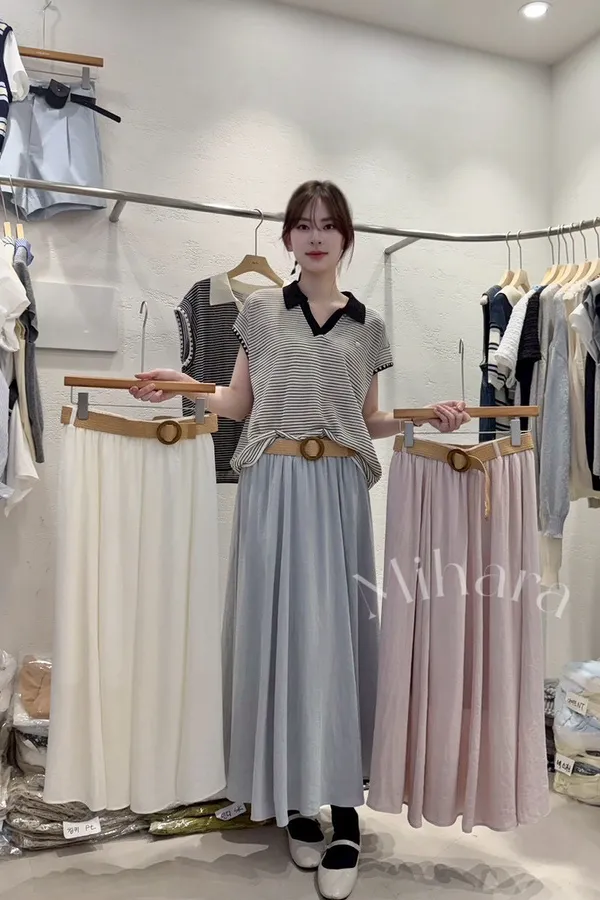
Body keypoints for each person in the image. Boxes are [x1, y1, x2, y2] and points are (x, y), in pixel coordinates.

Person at [131, 180, 469, 900]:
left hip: (339, 488)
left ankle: (344, 812)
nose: (316, 236)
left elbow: (367, 419)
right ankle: (292, 804)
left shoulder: (368, 327)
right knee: (279, 636)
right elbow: (238, 403)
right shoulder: (259, 312)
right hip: (273, 484)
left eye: (329, 225)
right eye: (304, 225)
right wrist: (183, 383)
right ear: (287, 237)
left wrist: (422, 417)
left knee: (339, 640)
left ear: (347, 238)